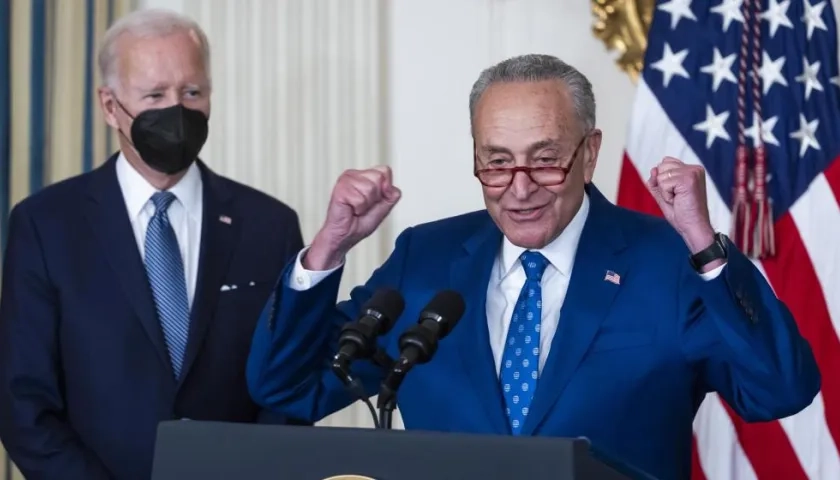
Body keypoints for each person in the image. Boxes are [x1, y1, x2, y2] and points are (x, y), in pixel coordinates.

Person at [245, 54, 819, 480]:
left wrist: (703, 243)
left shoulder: (668, 262)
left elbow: (779, 391)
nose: (519, 190)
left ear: (589, 152)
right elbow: (288, 386)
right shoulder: (426, 259)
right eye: (496, 164)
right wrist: (328, 250)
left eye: (546, 161)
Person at [0, 9, 307, 480]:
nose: (177, 111)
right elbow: (23, 403)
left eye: (191, 92)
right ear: (109, 106)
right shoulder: (45, 225)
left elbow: (287, 385)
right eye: (154, 95)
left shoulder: (270, 225)